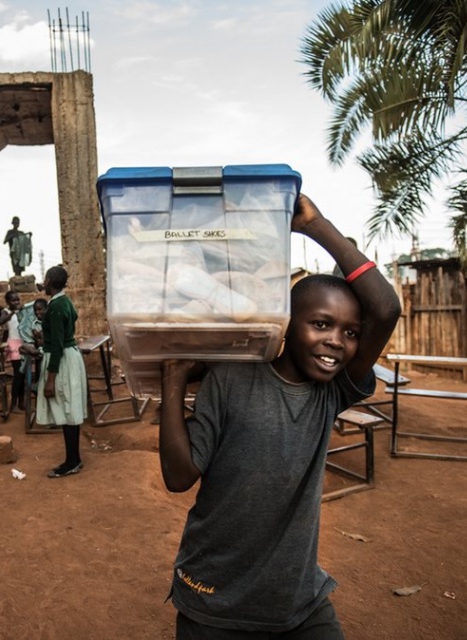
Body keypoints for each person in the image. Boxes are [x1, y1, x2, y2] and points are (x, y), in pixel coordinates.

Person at [158, 194, 401, 637]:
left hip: (298, 601)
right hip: (213, 597)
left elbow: (385, 309)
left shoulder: (330, 392)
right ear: (286, 323)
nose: (336, 342)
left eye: (350, 333)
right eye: (321, 324)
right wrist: (173, 377)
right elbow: (179, 476)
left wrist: (317, 226)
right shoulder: (231, 378)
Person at [36, 266, 89, 478]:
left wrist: (50, 380)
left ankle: (71, 461)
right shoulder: (64, 302)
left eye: (45, 280)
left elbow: (57, 346)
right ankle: (74, 458)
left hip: (62, 361)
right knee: (71, 409)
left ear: (49, 280)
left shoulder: (56, 307)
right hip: (71, 356)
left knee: (67, 409)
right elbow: (70, 322)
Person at [0, 290, 25, 412]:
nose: (16, 302)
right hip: (13, 344)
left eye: (18, 300)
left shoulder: (21, 311)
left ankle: (22, 402)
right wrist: (12, 313)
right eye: (13, 300)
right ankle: (14, 405)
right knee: (18, 374)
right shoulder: (6, 311)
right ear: (8, 301)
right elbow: (1, 321)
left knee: (23, 375)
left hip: (23, 344)